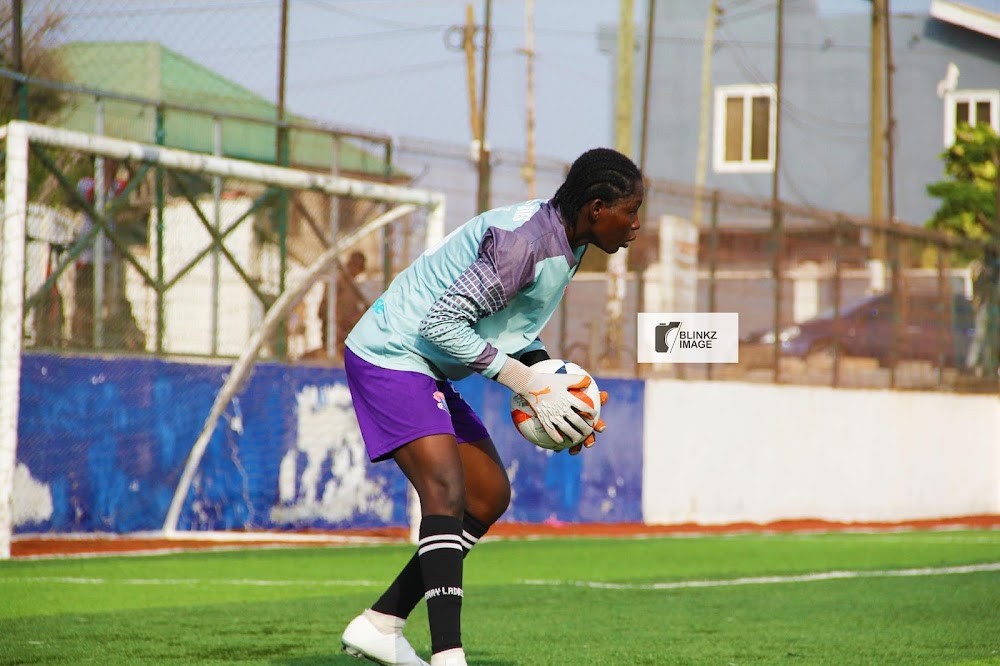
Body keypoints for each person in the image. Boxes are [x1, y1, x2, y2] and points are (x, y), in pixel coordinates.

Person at [339, 147, 643, 666]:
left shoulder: (565, 242)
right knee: (445, 490)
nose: (636, 225)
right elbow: (441, 325)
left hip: (424, 362)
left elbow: (512, 331)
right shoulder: (525, 244)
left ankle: (382, 623)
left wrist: (559, 398)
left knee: (486, 495)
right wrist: (525, 381)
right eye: (631, 211)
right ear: (596, 208)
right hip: (391, 352)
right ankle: (448, 657)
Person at [318, 250, 368, 359]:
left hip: (346, 332)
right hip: (334, 331)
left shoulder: (353, 287)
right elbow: (324, 308)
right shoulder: (337, 281)